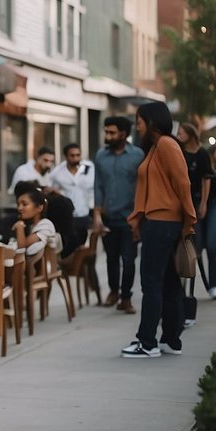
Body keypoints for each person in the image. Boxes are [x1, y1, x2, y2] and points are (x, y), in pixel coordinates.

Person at [123, 102, 196, 358]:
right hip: (160, 223)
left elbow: (183, 181)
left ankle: (147, 342)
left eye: (139, 119)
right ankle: (170, 340)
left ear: (151, 120)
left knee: (151, 283)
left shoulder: (166, 144)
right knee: (168, 282)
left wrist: (189, 221)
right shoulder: (155, 147)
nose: (136, 124)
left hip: (163, 223)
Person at [93, 115, 144, 314]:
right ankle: (114, 291)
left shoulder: (137, 155)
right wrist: (96, 213)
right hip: (108, 217)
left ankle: (126, 297)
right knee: (111, 259)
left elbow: (142, 186)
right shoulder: (100, 156)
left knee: (129, 259)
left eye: (112, 132)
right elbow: (97, 186)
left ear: (123, 134)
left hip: (130, 217)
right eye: (106, 131)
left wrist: (139, 217)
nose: (108, 135)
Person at [177, 122, 216, 299]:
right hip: (191, 204)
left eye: (181, 132)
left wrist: (203, 203)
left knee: (212, 245)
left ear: (190, 134)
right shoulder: (179, 152)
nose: (179, 135)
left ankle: (215, 285)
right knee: (197, 246)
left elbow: (206, 180)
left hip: (210, 202)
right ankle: (197, 285)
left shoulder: (202, 154)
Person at [49, 142, 94, 248]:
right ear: (66, 156)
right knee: (70, 246)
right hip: (68, 216)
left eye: (78, 155)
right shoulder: (57, 173)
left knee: (83, 247)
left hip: (85, 213)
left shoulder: (89, 168)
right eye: (72, 155)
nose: (75, 158)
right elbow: (51, 191)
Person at [9, 185, 61, 258]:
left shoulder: (46, 225)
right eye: (18, 204)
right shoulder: (29, 226)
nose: (19, 208)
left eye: (24, 204)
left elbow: (21, 249)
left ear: (39, 207)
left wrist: (19, 227)